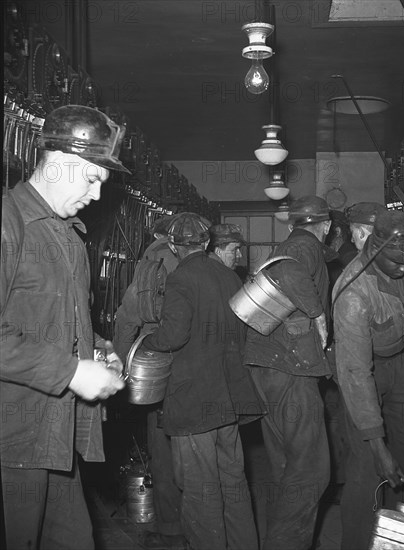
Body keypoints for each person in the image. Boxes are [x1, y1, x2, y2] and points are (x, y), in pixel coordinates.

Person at [1, 105, 128, 549]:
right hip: (12, 445)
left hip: (55, 439)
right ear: (57, 164)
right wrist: (72, 372)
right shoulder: (8, 225)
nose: (96, 196)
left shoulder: (69, 237)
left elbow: (62, 319)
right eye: (92, 179)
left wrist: (96, 347)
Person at [141, 213, 263, 550]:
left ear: (173, 245)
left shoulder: (181, 277)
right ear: (208, 243)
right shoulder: (229, 277)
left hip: (194, 403)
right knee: (233, 485)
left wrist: (147, 342)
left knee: (199, 490)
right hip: (227, 399)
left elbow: (173, 336)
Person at [332, 209, 404, 550]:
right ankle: (355, 544)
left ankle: (397, 542)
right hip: (359, 371)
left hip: (396, 365)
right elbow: (356, 373)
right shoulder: (353, 294)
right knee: (367, 471)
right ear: (374, 250)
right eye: (396, 264)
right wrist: (377, 443)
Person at [243, 195, 334, 550]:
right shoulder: (305, 245)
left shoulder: (286, 242)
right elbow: (292, 272)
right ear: (325, 226)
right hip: (290, 368)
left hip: (267, 365)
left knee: (285, 465)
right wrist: (318, 314)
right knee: (312, 471)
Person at [113, 213, 188, 550]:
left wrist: (123, 361)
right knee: (193, 448)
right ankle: (197, 525)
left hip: (152, 367)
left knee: (161, 448)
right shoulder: (197, 261)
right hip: (189, 367)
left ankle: (171, 528)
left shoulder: (146, 267)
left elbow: (126, 318)